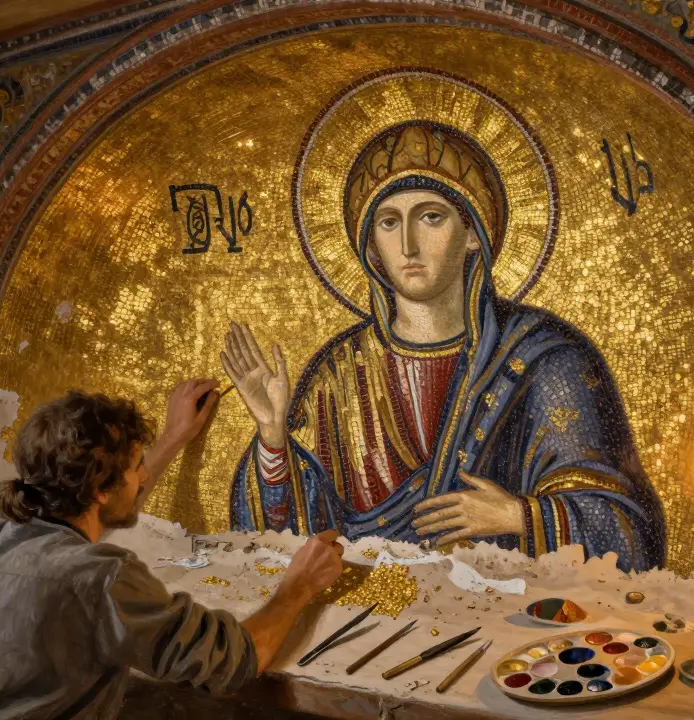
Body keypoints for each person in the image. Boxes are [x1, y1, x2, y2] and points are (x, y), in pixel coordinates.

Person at [224, 122, 666, 572]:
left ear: (472, 232)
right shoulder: (337, 375)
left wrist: (519, 517)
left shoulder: (546, 360)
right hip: (363, 617)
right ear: (371, 248)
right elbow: (280, 545)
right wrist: (273, 440)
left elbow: (628, 535)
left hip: (515, 620)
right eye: (389, 222)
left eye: (431, 217)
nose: (409, 245)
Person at [0, 381, 345, 719]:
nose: (142, 476)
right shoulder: (100, 578)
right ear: (100, 489)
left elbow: (110, 501)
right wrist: (297, 587)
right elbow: (234, 661)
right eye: (136, 466)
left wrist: (174, 438)